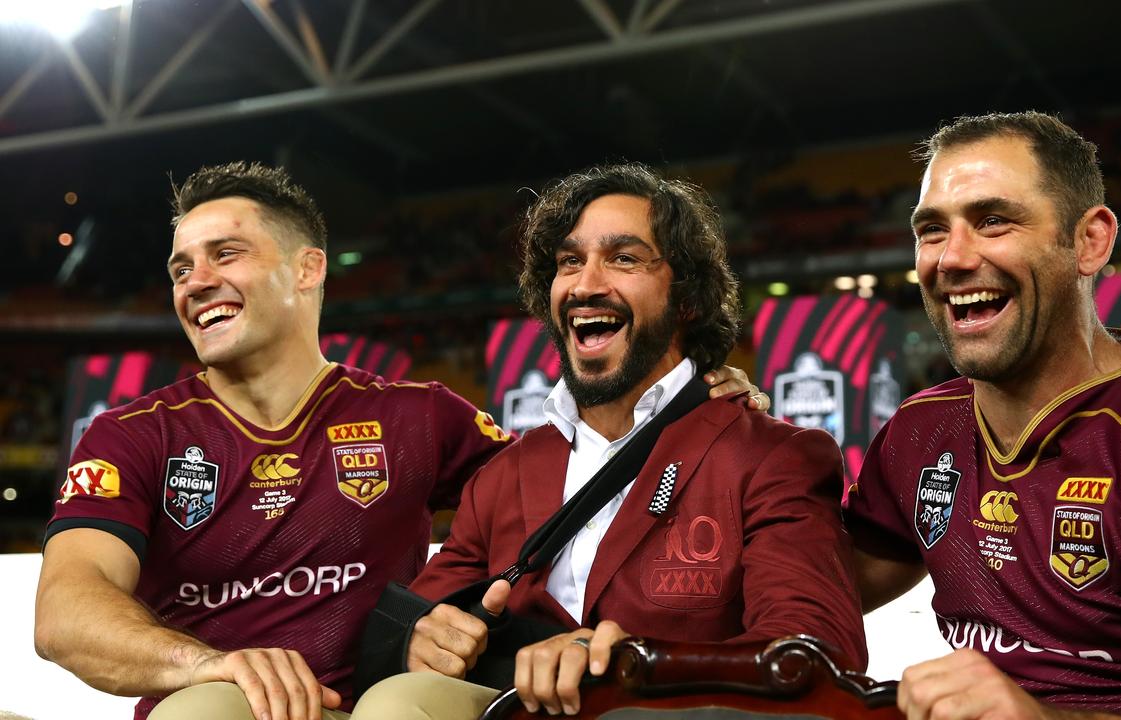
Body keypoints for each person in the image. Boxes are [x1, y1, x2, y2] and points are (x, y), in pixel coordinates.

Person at [34, 161, 763, 720]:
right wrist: (206, 667)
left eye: (226, 254)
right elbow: (67, 612)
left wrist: (681, 408)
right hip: (228, 709)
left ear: (308, 268)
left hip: (389, 705)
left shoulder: (421, 417)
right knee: (208, 711)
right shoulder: (131, 436)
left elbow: (573, 498)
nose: (197, 281)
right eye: (181, 267)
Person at [351, 162, 866, 719]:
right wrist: (422, 639)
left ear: (687, 299)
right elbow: (414, 623)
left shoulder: (772, 458)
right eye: (570, 261)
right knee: (399, 702)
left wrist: (639, 670)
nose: (585, 284)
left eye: (623, 258)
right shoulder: (504, 475)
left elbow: (814, 655)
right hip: (510, 709)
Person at [843, 112, 1121, 719]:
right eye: (933, 230)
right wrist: (727, 434)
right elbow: (798, 592)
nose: (952, 258)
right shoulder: (919, 432)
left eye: (993, 221)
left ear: (1089, 242)